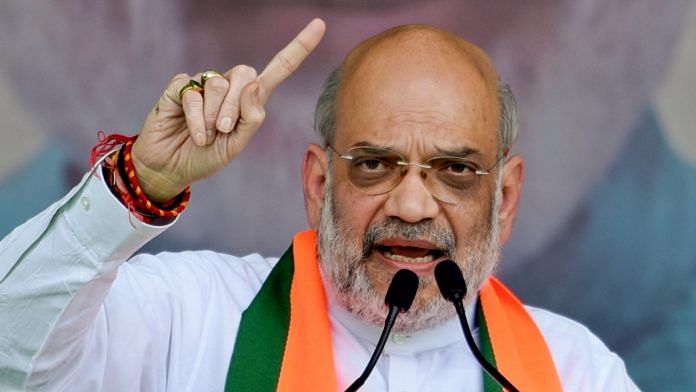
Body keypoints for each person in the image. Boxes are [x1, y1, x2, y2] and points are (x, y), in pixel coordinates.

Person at [0, 18, 638, 391]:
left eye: (455, 171)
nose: (413, 204)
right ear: (317, 184)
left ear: (504, 197)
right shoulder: (193, 317)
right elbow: (11, 356)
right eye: (374, 164)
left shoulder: (577, 371)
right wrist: (143, 179)